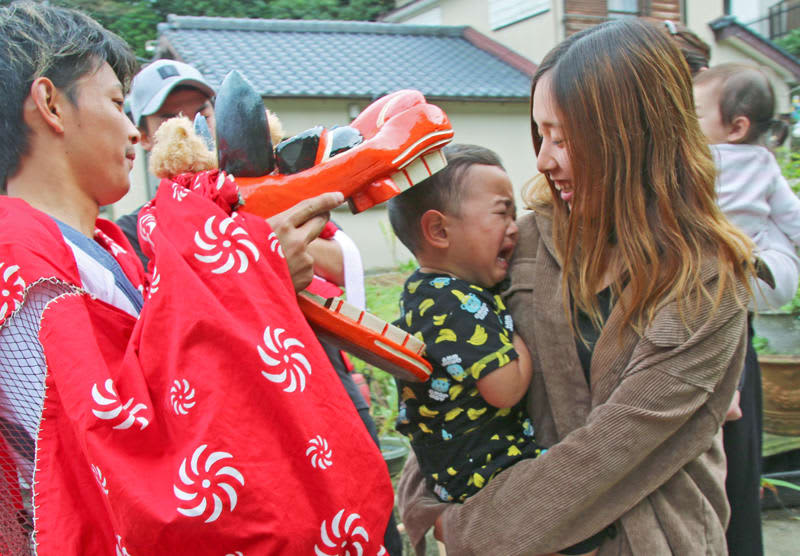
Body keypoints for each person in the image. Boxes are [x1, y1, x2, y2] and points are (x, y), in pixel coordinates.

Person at [0, 2, 393, 553]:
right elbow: (117, 450)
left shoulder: (100, 246)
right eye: (117, 103)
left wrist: (251, 268)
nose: (135, 135)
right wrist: (251, 269)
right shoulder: (18, 258)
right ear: (50, 105)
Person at [396, 18, 756, 555]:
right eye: (541, 135)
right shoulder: (529, 243)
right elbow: (452, 379)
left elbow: (613, 452)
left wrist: (465, 527)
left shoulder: (705, 278)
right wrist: (425, 502)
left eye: (563, 138)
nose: (543, 160)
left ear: (633, 136)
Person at [123, 57, 404, 555]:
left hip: (316, 370)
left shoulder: (270, 185)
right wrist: (250, 256)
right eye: (170, 117)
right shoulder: (138, 229)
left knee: (366, 499)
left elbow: (343, 261)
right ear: (146, 136)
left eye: (200, 109)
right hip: (230, 413)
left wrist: (257, 246)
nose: (191, 124)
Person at [388, 143, 602, 555]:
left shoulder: (422, 293)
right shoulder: (462, 305)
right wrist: (519, 337)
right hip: (491, 478)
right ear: (439, 231)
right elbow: (504, 388)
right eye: (501, 212)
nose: (514, 226)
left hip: (453, 477)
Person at [694, 62, 800, 556]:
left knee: (729, 334)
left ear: (736, 125)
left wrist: (762, 261)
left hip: (744, 270)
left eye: (694, 113)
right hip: (709, 279)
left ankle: (730, 395)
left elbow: (792, 221)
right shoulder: (690, 157)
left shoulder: (754, 163)